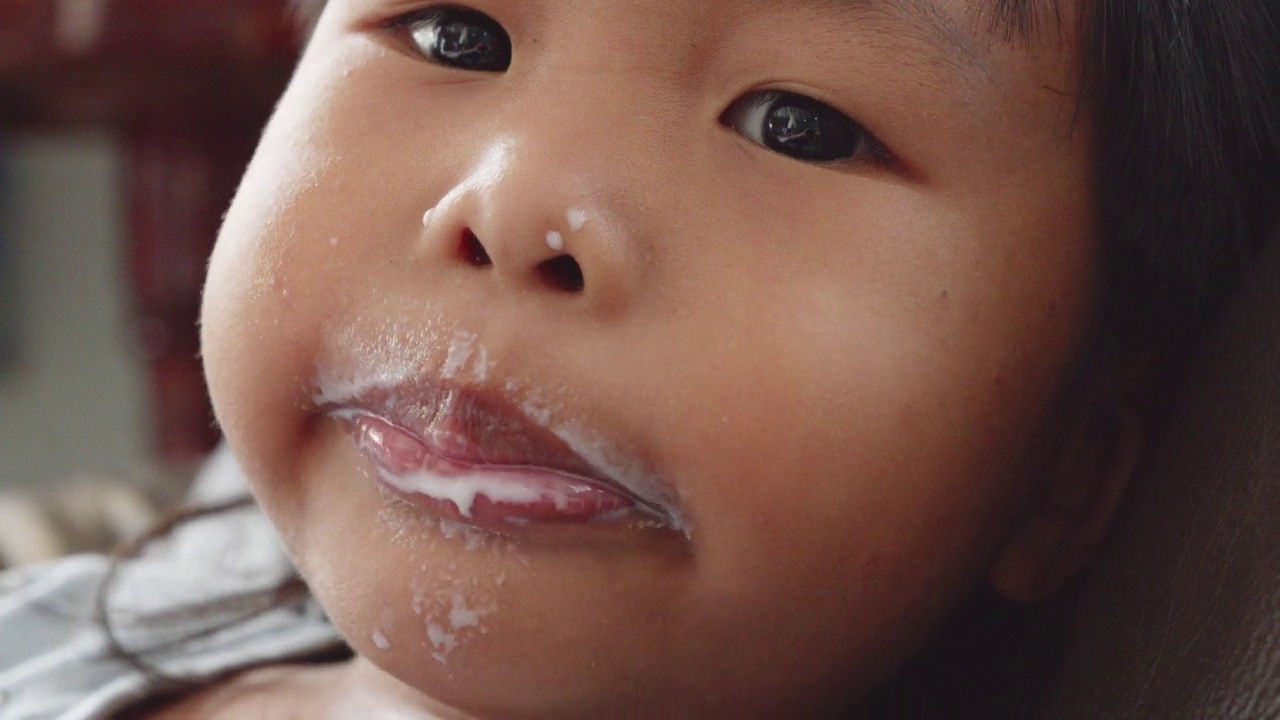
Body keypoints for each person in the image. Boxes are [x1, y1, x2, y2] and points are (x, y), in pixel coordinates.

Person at [1, 0, 1275, 717]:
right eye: (455, 36)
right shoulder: (52, 635)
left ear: (1068, 469)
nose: (515, 204)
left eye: (799, 125)